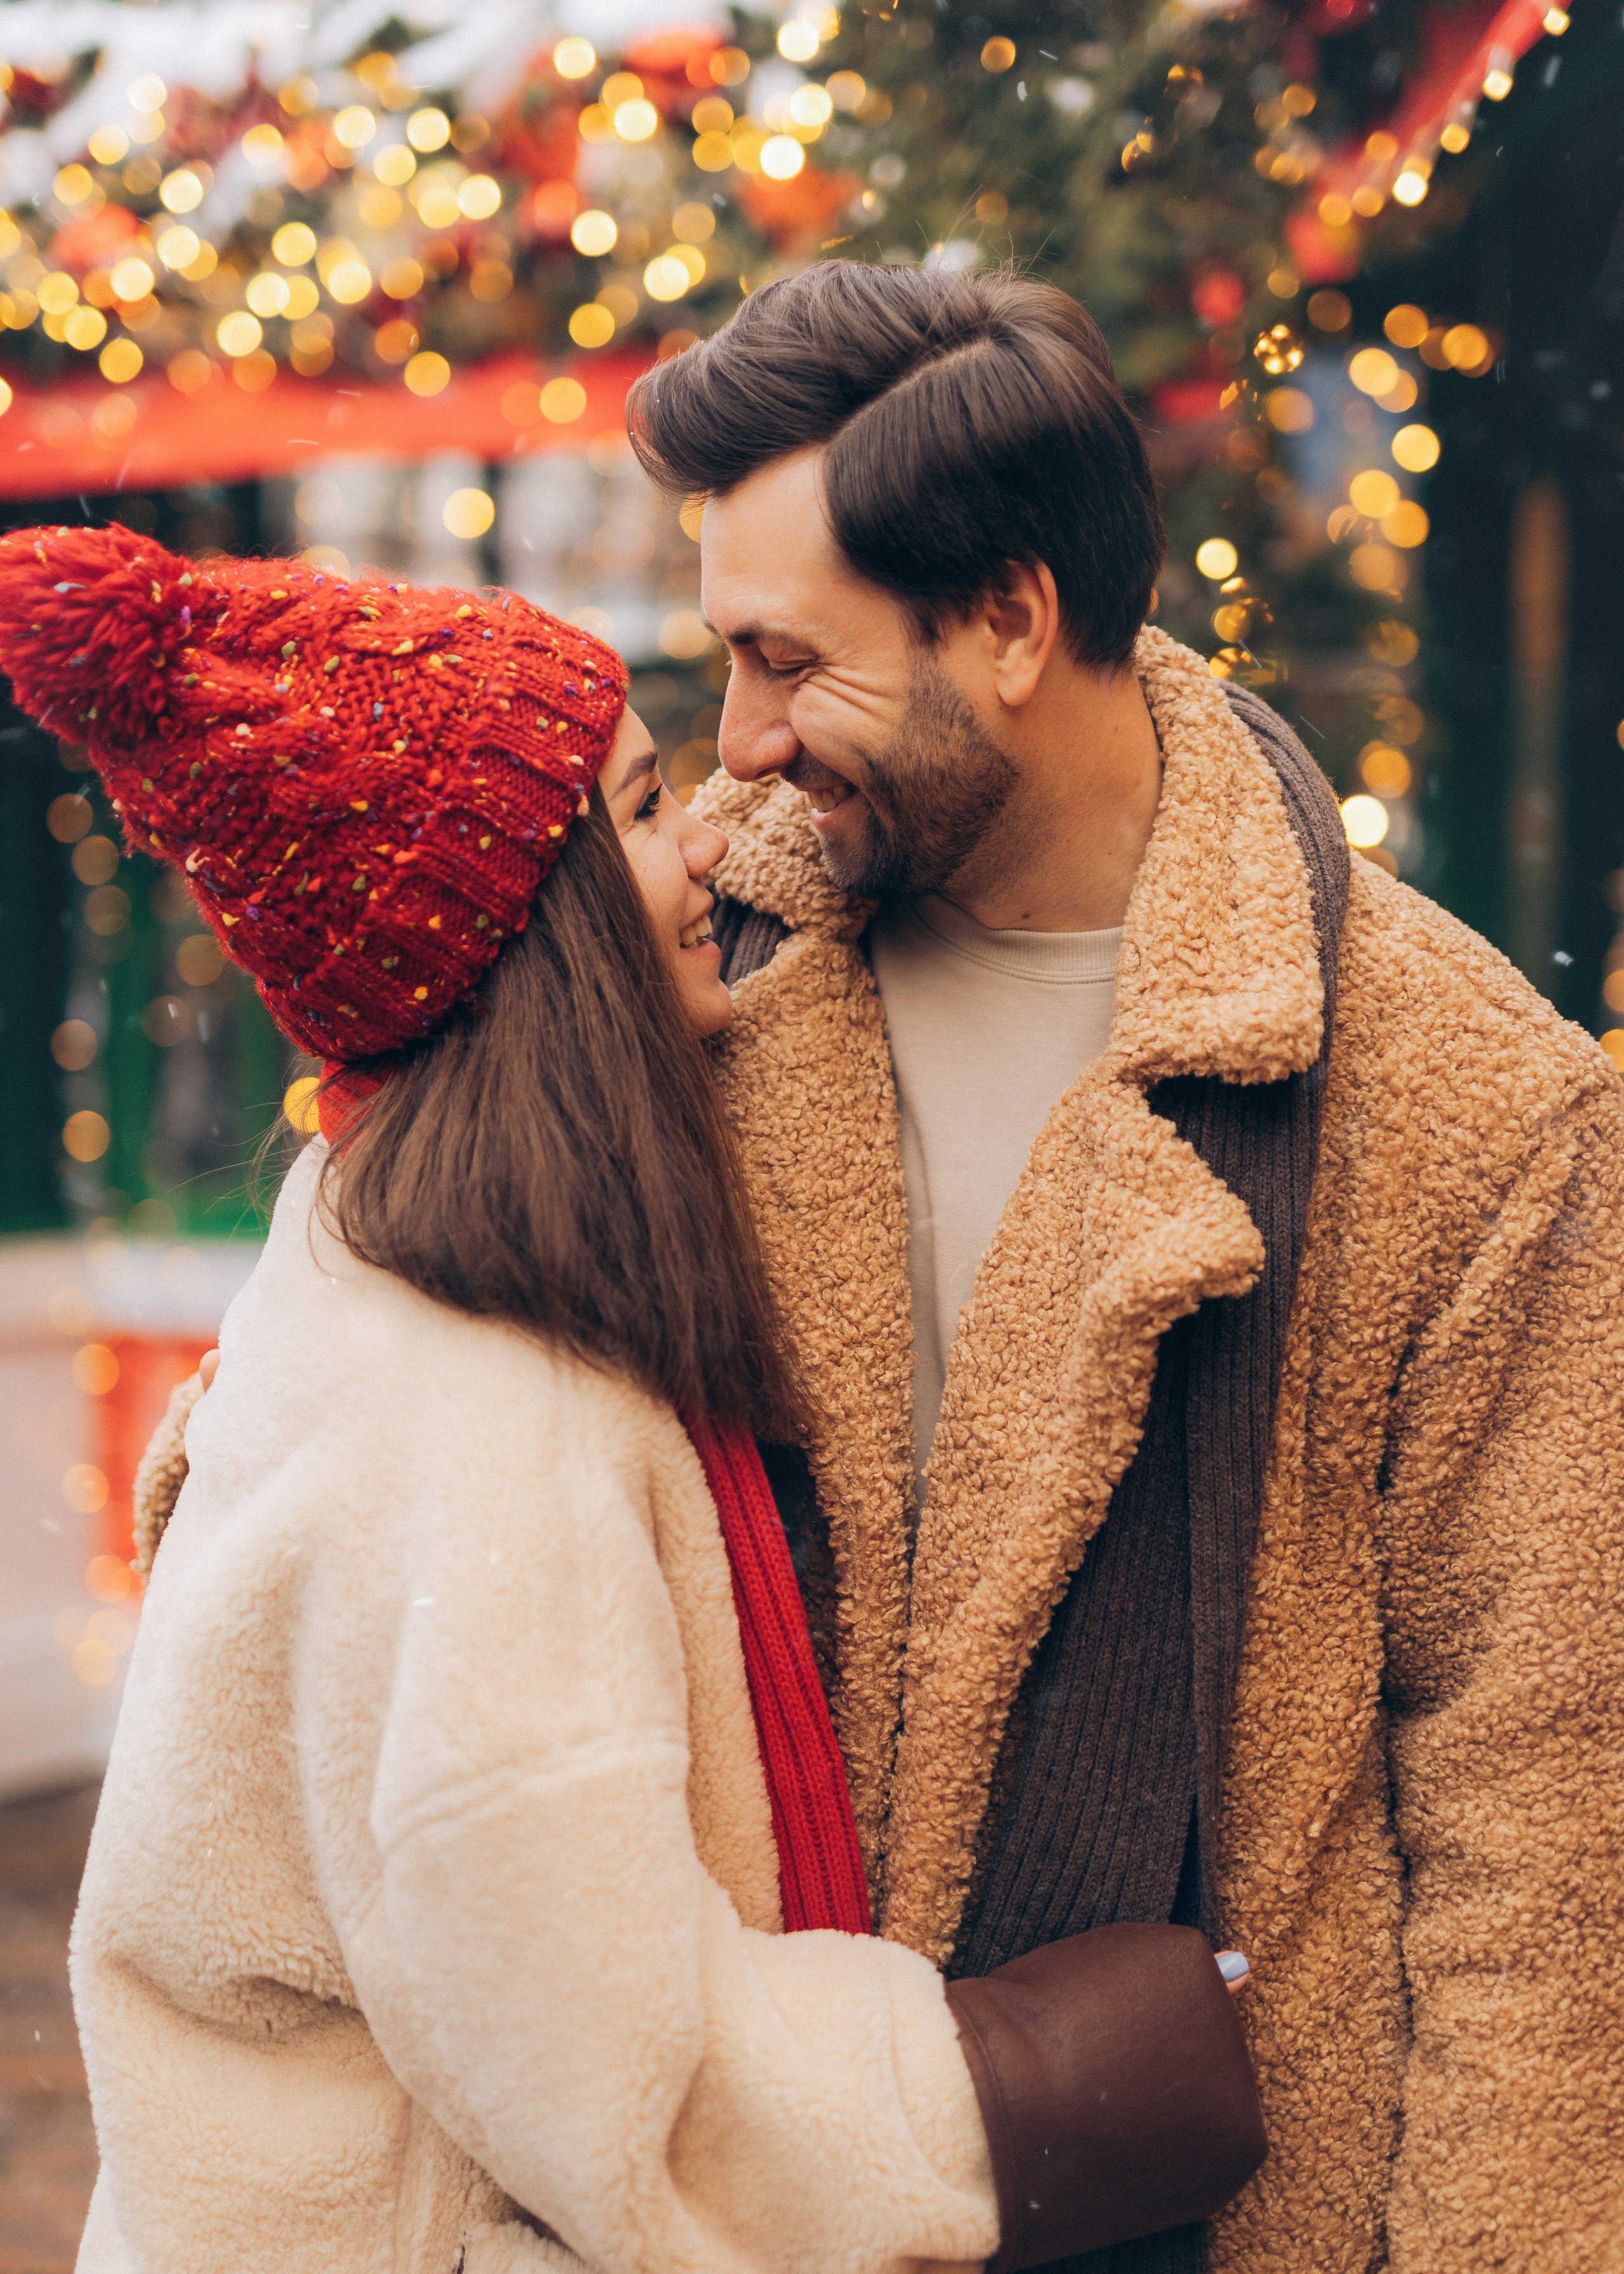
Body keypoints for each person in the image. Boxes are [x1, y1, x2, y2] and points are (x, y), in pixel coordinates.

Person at [0, 524, 1262, 2274]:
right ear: (534, 918)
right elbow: (611, 2081)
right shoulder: (483, 1416)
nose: (714, 849)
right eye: (651, 808)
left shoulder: (381, 1229)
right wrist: (1042, 2076)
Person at [622, 262, 1624, 2273]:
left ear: (1010, 619)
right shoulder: (683, 970)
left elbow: (1546, 1818)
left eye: (786, 660)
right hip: (712, 2185)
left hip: (1235, 2207)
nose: (732, 744)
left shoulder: (1471, 1097)